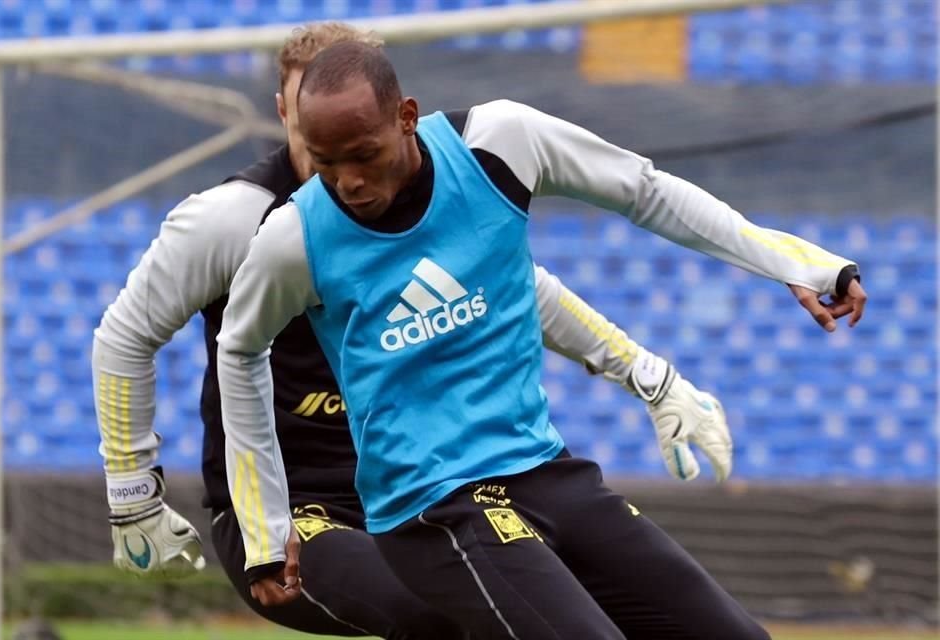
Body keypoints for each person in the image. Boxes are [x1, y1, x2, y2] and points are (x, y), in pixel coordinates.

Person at [92, 23, 732, 639]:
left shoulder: (429, 194)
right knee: (445, 616)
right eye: (308, 118)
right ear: (286, 111)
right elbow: (124, 337)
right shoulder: (236, 221)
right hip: (301, 515)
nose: (336, 154)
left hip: (436, 495)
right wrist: (132, 494)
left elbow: (528, 292)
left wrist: (651, 377)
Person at [216, 41, 867, 639]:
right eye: (326, 164)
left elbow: (645, 192)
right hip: (433, 509)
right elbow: (240, 350)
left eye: (363, 155)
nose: (348, 183)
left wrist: (795, 262)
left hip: (542, 471)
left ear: (407, 116)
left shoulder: (500, 143)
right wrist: (263, 523)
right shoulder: (295, 237)